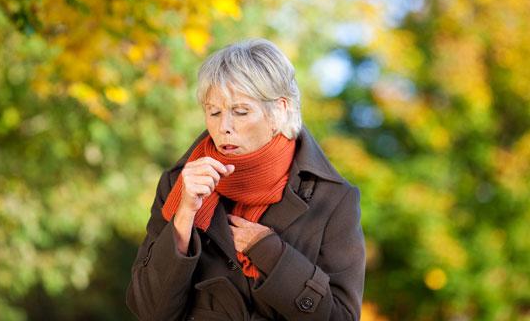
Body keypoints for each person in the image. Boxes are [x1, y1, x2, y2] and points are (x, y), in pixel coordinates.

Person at [126, 38, 365, 320]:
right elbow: (149, 311)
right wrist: (184, 216)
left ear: (280, 109)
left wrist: (270, 253)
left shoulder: (333, 198)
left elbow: (341, 317)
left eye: (240, 111)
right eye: (213, 112)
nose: (224, 127)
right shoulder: (180, 185)